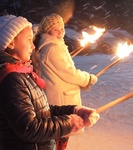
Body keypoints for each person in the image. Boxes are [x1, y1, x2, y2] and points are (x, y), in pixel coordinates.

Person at [0, 15, 100, 150]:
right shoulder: (12, 80)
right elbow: (30, 128)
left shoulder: (23, 73)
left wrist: (73, 110)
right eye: (29, 40)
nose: (33, 45)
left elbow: (42, 111)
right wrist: (69, 122)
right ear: (11, 43)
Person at [32, 13, 98, 149]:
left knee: (59, 134)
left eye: (61, 28)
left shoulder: (52, 45)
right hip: (60, 98)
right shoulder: (53, 47)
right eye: (55, 29)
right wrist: (88, 79)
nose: (60, 32)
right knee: (60, 135)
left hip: (59, 95)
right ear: (47, 30)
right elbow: (69, 73)